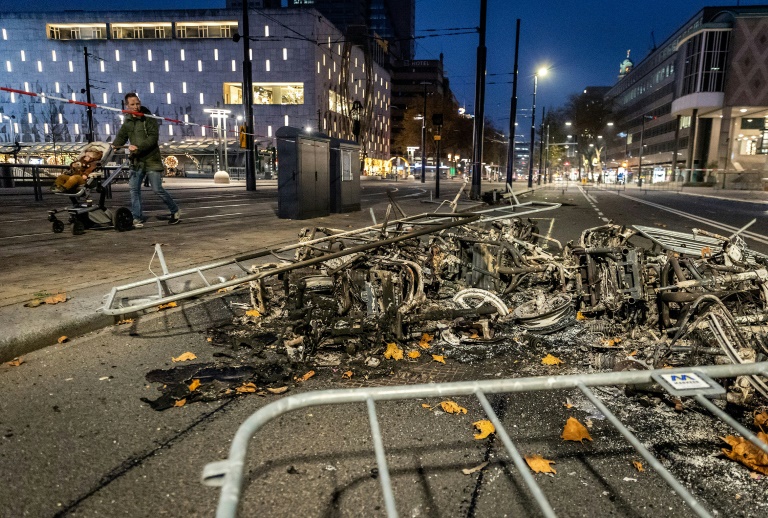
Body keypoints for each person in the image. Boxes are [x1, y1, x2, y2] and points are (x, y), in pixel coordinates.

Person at [112, 93, 180, 227]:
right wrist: (115, 146)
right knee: (134, 189)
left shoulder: (148, 118)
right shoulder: (128, 122)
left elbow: (153, 138)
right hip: (137, 162)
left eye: (137, 103)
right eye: (132, 104)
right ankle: (137, 217)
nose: (136, 106)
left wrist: (137, 148)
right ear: (127, 106)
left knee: (157, 189)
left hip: (151, 160)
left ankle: (175, 211)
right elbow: (120, 138)